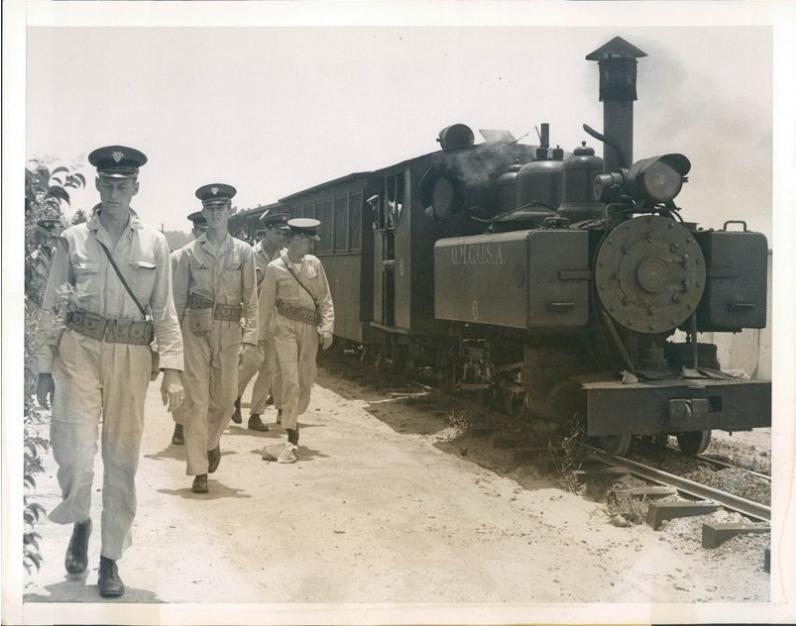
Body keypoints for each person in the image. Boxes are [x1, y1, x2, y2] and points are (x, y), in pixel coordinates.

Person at [35, 145, 184, 598]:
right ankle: (80, 517)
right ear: (98, 185)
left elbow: (164, 311)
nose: (115, 191)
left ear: (135, 188)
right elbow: (53, 304)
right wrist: (43, 365)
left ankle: (110, 559)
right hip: (78, 351)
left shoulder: (154, 243)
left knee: (121, 457)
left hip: (131, 357)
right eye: (108, 183)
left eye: (123, 185)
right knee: (73, 451)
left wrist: (173, 368)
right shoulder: (73, 238)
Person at [172, 183, 259, 493]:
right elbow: (178, 301)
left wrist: (250, 338)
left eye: (220, 208)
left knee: (225, 400)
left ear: (230, 211)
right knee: (197, 401)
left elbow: (251, 299)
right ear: (204, 213)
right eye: (210, 209)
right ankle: (199, 471)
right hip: (194, 331)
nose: (215, 213)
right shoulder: (188, 253)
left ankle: (211, 442)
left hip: (229, 331)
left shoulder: (244, 252)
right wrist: (171, 343)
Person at [258, 218, 334, 461]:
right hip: (284, 327)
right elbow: (265, 304)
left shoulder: (314, 264)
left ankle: (291, 415)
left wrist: (327, 327)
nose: (312, 245)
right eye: (309, 240)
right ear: (297, 239)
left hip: (309, 328)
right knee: (290, 378)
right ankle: (291, 431)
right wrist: (259, 336)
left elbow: (325, 299)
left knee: (306, 378)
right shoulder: (275, 268)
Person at [231, 210, 289, 432]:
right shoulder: (251, 254)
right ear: (267, 231)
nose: (282, 237)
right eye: (278, 232)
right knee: (250, 363)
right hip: (254, 317)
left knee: (269, 368)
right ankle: (234, 398)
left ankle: (255, 414)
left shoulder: (286, 258)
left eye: (284, 233)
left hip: (276, 318)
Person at [169, 210, 207, 446]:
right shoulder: (178, 256)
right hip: (186, 323)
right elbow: (171, 294)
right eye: (201, 230)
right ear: (194, 231)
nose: (205, 234)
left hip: (213, 325)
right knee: (186, 378)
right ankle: (180, 425)